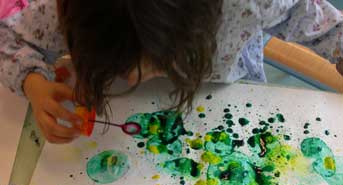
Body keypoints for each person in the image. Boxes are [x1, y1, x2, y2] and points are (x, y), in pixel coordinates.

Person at [0, 0, 342, 144]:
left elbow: (323, 26)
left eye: (161, 63)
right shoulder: (86, 10)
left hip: (232, 98)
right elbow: (7, 36)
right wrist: (32, 80)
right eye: (120, 67)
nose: (132, 80)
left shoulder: (253, 5)